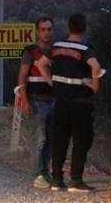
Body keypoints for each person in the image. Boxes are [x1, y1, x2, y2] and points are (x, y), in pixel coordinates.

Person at [38, 13, 102, 193]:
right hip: (81, 102)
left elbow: (41, 64)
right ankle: (76, 180)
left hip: (60, 101)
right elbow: (95, 67)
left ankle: (57, 180)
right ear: (84, 28)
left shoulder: (56, 46)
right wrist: (94, 86)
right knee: (81, 141)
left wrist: (52, 82)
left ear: (68, 28)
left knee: (60, 141)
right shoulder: (84, 49)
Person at [17, 17, 55, 189]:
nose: (46, 32)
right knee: (38, 139)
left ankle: (45, 172)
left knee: (50, 139)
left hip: (53, 101)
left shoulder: (56, 51)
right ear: (37, 31)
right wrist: (24, 100)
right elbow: (22, 76)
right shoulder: (30, 52)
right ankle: (37, 175)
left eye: (49, 29)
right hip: (35, 100)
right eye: (43, 29)